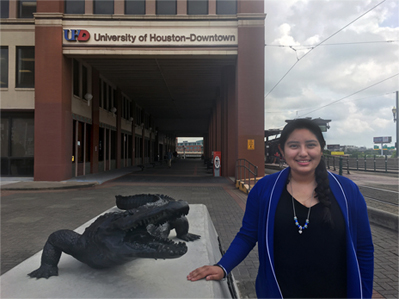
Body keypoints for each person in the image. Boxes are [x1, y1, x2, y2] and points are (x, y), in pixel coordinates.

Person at [187, 118, 374, 299]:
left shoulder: (347, 191)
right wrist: (223, 267)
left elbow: (364, 249)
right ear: (282, 151)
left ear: (321, 147)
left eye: (310, 145)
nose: (303, 152)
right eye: (294, 146)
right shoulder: (264, 189)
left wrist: (364, 294)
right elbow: (247, 235)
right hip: (280, 292)